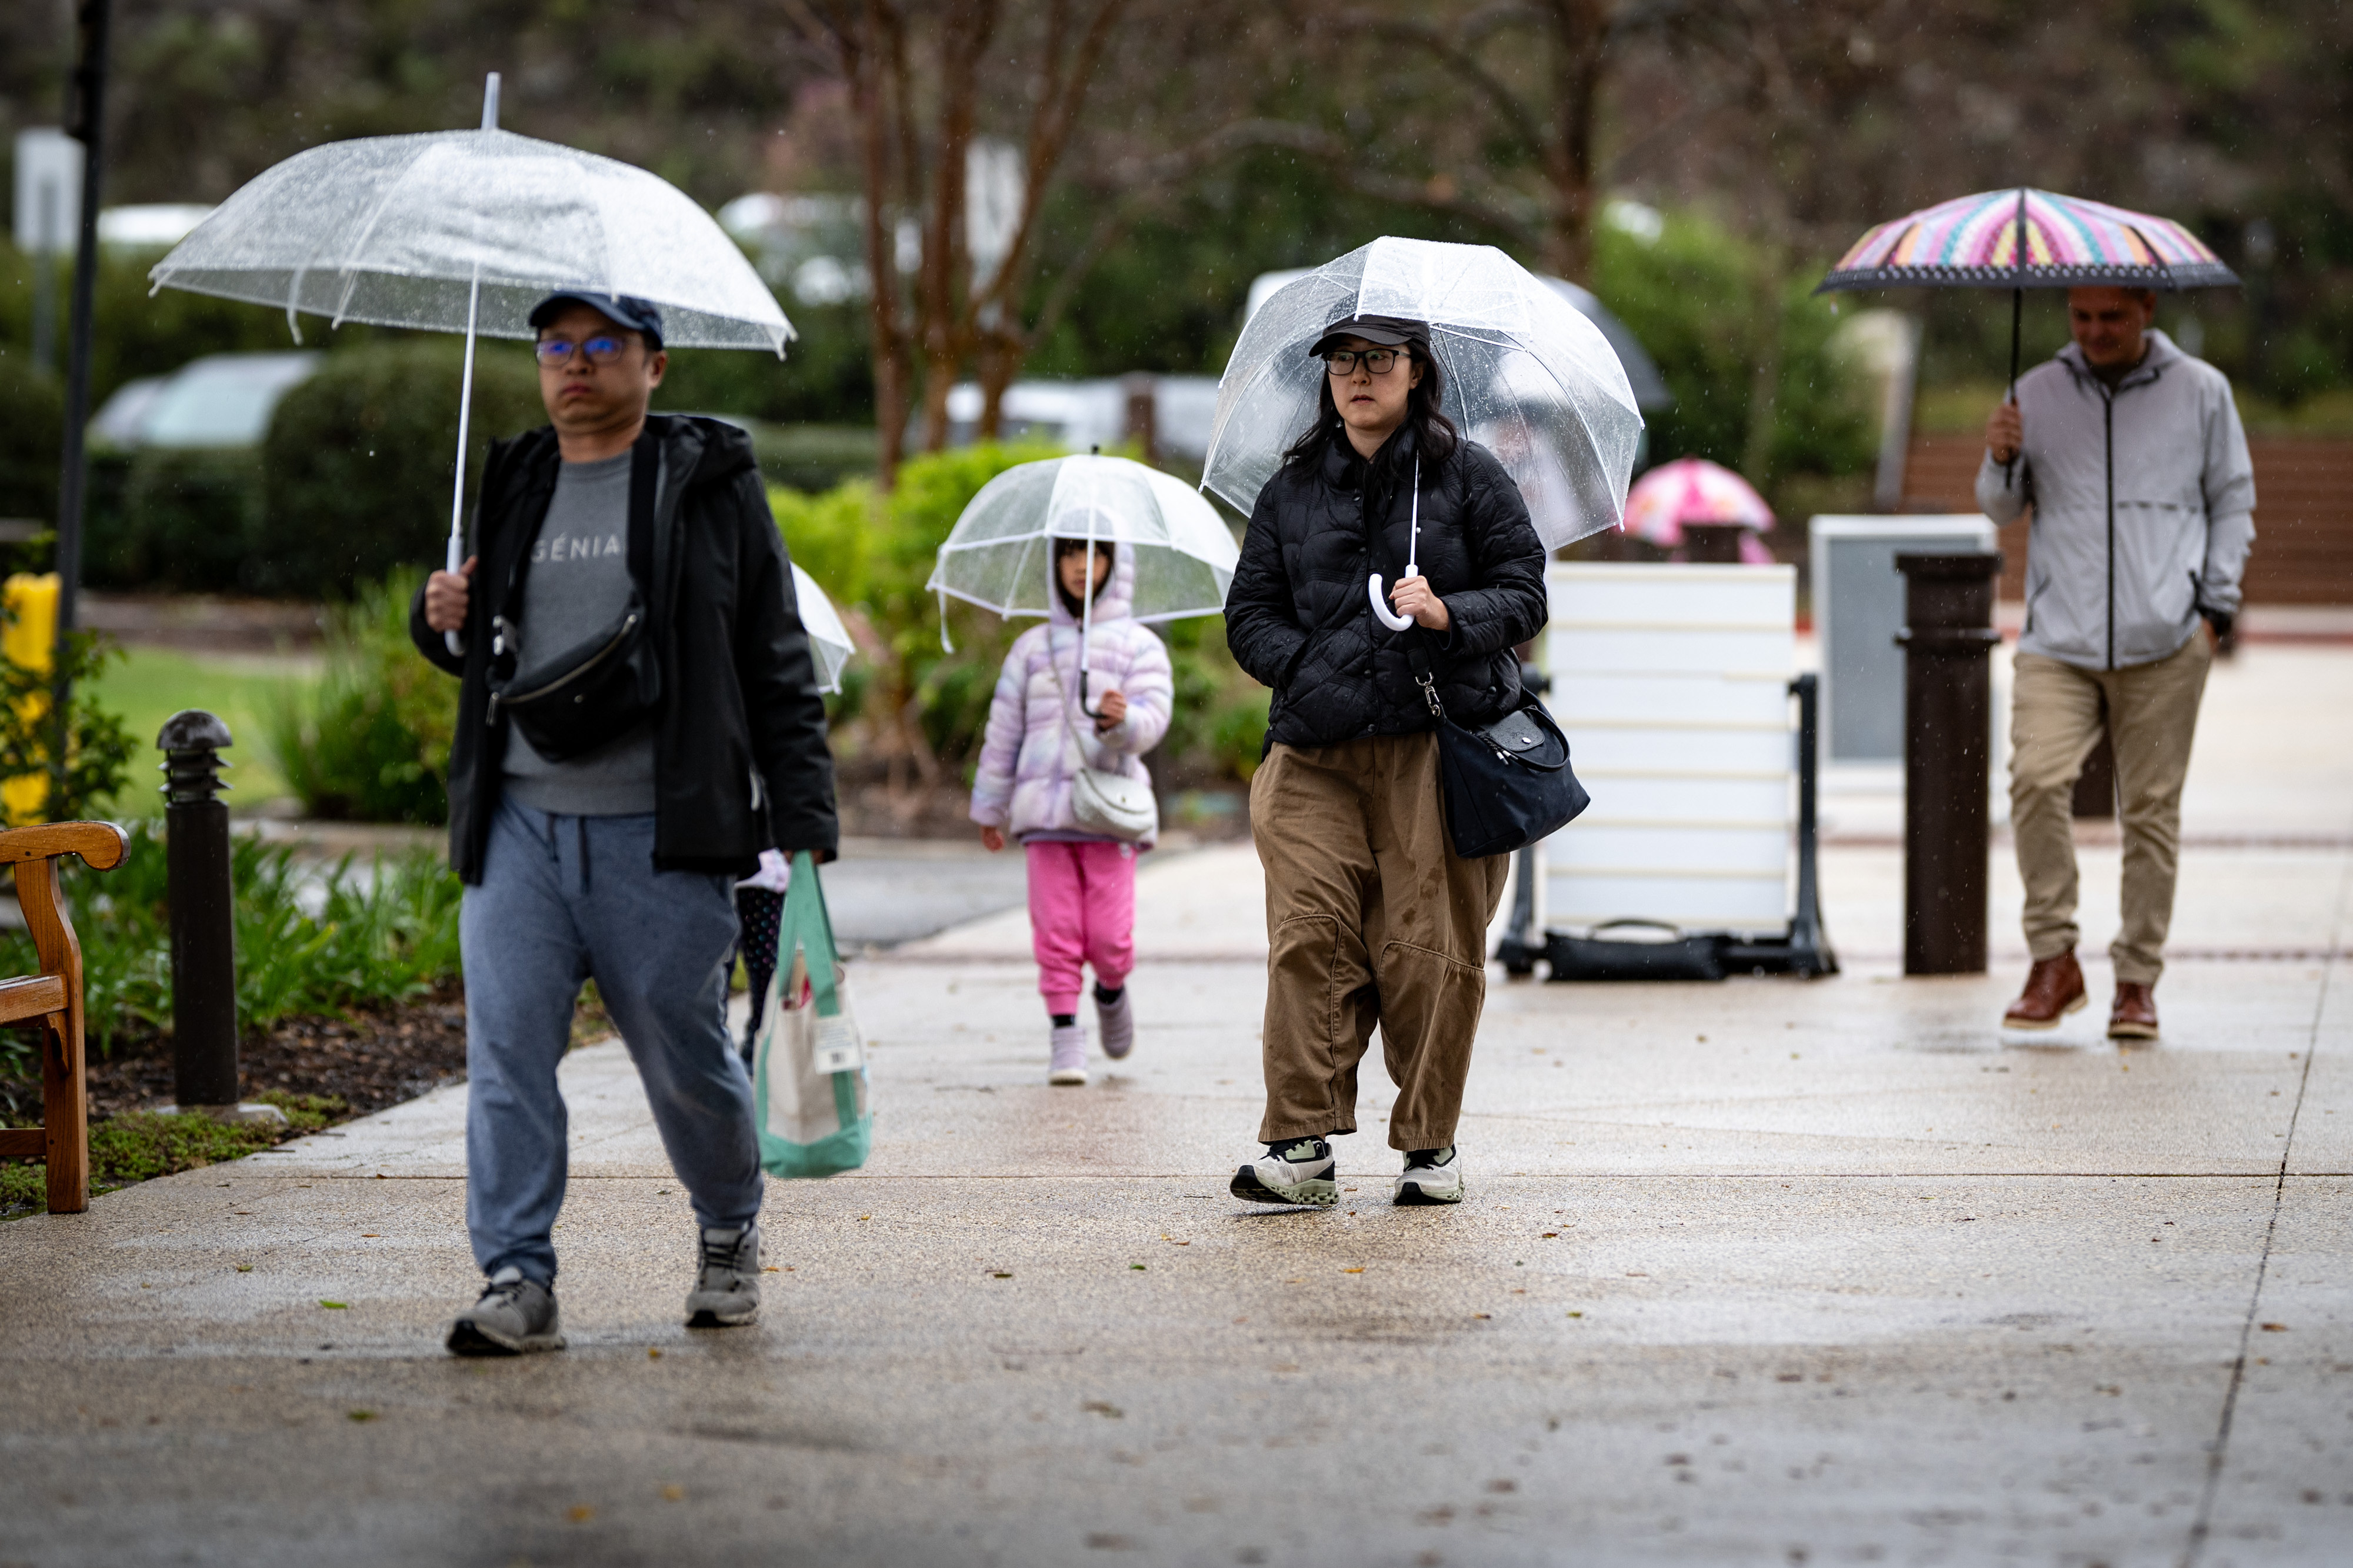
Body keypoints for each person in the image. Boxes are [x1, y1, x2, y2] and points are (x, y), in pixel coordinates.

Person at [411, 291, 838, 1355]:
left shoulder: (707, 482)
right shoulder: (515, 476)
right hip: (517, 822)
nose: (576, 365)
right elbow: (492, 655)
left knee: (684, 1055)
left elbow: (773, 654)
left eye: (604, 345)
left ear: (656, 365)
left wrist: (802, 817)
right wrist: (445, 624)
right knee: (507, 1052)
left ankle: (730, 1228)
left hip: (663, 827)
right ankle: (517, 1276)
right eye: (557, 345)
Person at [1222, 313, 1547, 1207]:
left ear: (1415, 372)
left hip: (1434, 747)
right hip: (1313, 753)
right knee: (1310, 936)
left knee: (1427, 947)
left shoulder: (1468, 477)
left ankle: (1430, 1141)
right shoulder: (1291, 491)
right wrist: (1305, 664)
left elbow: (1525, 591)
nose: (1359, 377)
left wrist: (1448, 615)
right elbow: (1248, 613)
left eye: (1379, 360)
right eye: (1343, 362)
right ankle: (1301, 1140)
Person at [1979, 286, 2255, 1040]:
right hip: (2056, 641)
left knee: (2150, 814)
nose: (2094, 332)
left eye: (2112, 317)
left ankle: (2136, 981)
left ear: (2148, 311)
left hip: (2164, 641)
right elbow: (2000, 508)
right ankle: (2052, 958)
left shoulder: (2202, 392)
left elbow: (2232, 499)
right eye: (2081, 317)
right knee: (2034, 780)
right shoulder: (2031, 390)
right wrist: (2002, 456)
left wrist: (2213, 608)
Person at [969, 535, 1174, 1085]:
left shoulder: (1139, 646)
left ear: (1116, 563)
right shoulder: (1032, 649)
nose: (1082, 566)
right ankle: (1064, 1035)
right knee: (1055, 931)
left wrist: (1120, 721)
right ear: (1054, 563)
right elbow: (1004, 731)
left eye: (1096, 554)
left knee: (1110, 938)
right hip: (1044, 817)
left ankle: (1110, 989)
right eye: (1069, 554)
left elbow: (1152, 721)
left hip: (1108, 813)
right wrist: (992, 805)